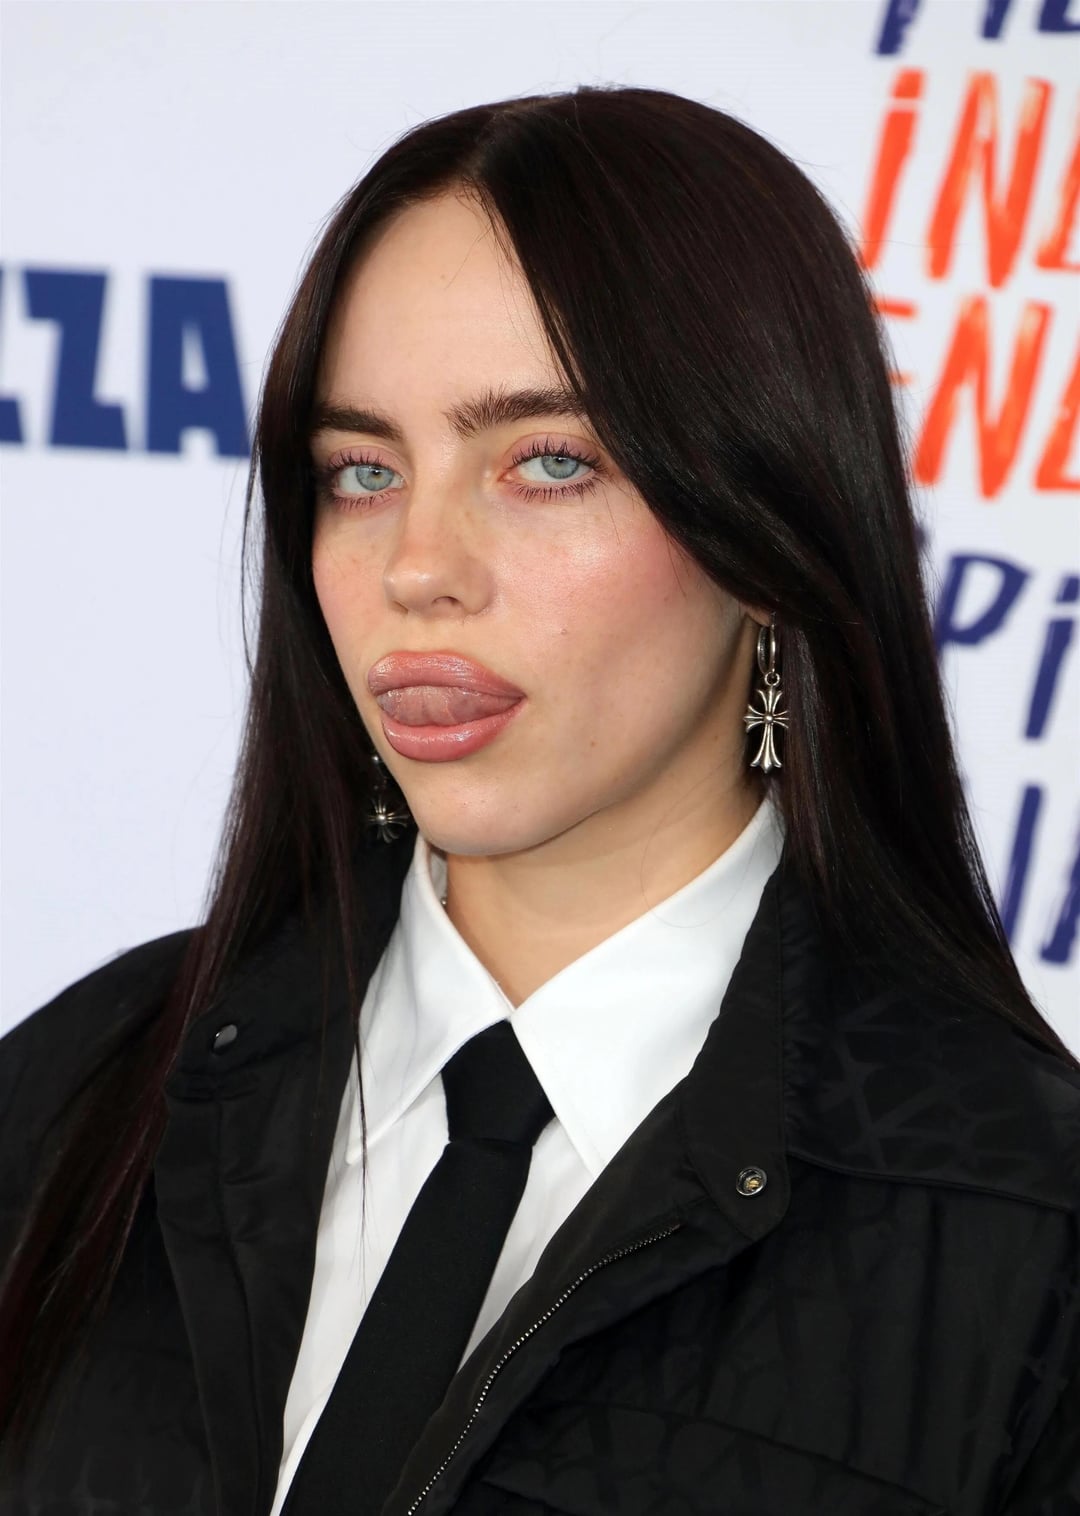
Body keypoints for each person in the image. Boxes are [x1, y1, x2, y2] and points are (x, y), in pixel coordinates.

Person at [0, 83, 1077, 1516]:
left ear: (767, 528)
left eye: (548, 463)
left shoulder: (1021, 1229)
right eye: (362, 471)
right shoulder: (78, 1092)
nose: (416, 566)